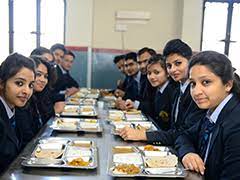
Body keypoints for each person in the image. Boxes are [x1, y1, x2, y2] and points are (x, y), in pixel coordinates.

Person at [119, 39, 205, 145]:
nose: (173, 70)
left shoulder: (195, 93)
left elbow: (184, 133)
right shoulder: (178, 89)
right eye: (169, 66)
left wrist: (143, 135)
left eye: (178, 63)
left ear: (190, 61)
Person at [175, 51, 240, 179]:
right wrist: (188, 153)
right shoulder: (213, 111)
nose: (196, 91)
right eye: (193, 83)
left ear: (228, 85)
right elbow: (183, 136)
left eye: (206, 82)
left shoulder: (236, 124)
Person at [0, 53, 35, 173]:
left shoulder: (16, 110)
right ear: (2, 83)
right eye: (19, 83)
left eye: (30, 85)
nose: (27, 91)